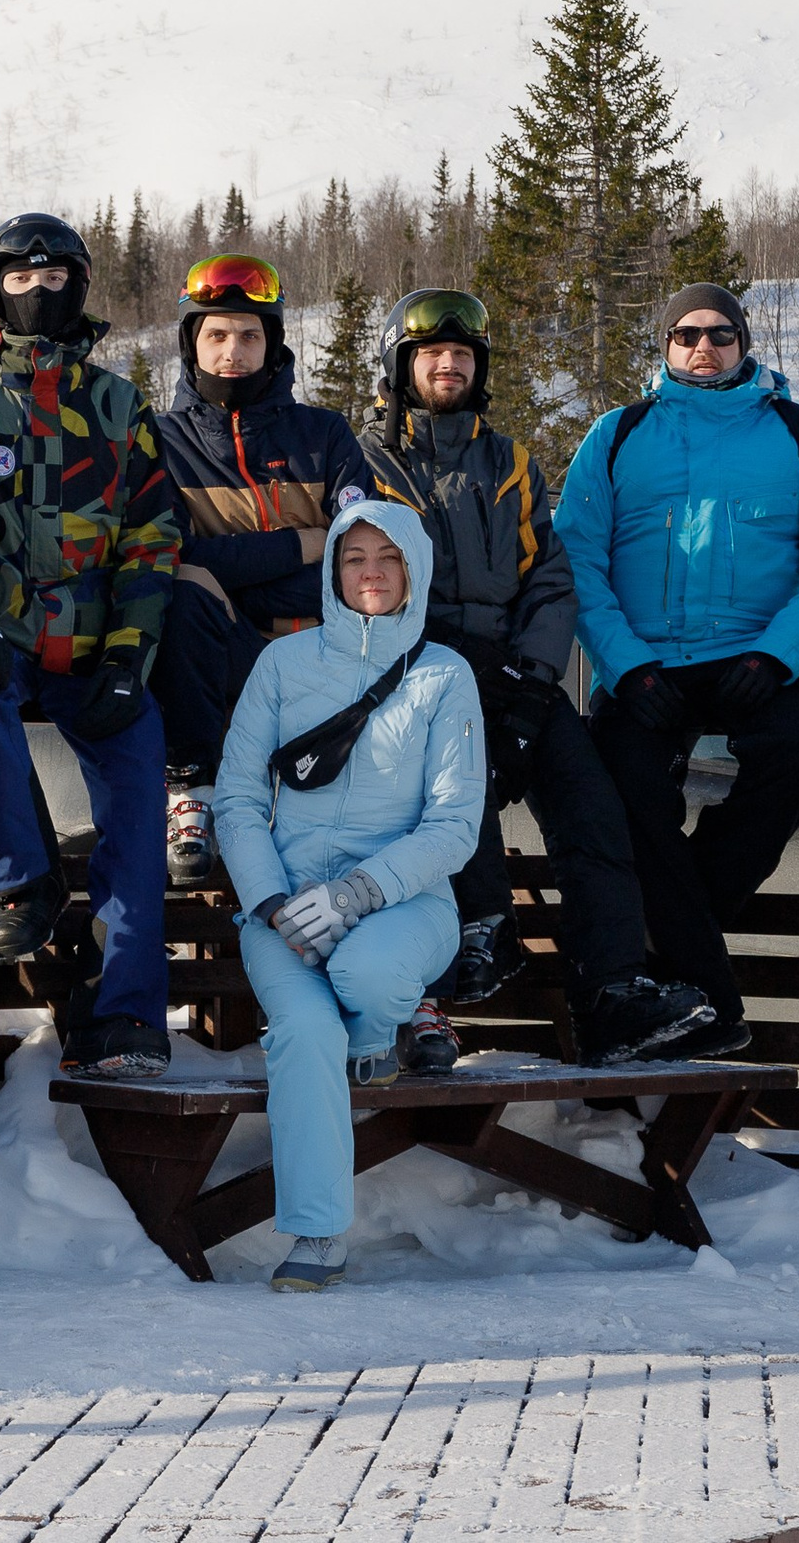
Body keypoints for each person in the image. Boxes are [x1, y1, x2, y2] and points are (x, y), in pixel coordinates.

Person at [359, 289, 712, 1068]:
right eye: (432, 354)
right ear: (399, 366)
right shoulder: (368, 466)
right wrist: (450, 664)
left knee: (592, 807)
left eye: (462, 355)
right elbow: (364, 584)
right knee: (456, 780)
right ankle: (479, 931)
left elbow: (551, 581)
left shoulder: (510, 463)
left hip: (516, 668)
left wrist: (530, 680)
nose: (449, 366)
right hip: (420, 671)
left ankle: (612, 992)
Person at [557, 282, 799, 1053]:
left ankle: (672, 955)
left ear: (744, 344)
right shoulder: (619, 434)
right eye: (687, 334)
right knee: (625, 790)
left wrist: (778, 653)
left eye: (721, 333)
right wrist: (624, 666)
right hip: (647, 661)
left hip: (756, 654)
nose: (704, 346)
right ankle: (712, 1002)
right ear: (665, 345)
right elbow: (576, 558)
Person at [0, 213, 180, 1077]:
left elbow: (152, 535)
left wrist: (129, 656)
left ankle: (126, 1013)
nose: (38, 293)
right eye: (20, 280)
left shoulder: (118, 404)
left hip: (94, 639)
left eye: (55, 279)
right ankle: (22, 878)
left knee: (136, 787)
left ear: (79, 286)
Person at [213, 499, 484, 1291]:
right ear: (333, 570)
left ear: (414, 569)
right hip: (287, 911)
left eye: (388, 557)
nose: (371, 572)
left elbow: (455, 824)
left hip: (406, 904)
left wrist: (358, 893)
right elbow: (237, 800)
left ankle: (373, 1039)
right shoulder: (281, 665)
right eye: (354, 557)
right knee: (302, 1031)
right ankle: (319, 1235)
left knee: (364, 973)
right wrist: (272, 903)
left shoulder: (444, 675)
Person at [147, 251, 375, 890]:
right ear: (191, 345)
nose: (233, 352)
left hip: (326, 660)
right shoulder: (161, 442)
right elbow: (175, 559)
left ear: (272, 344)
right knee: (181, 591)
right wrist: (304, 544)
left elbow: (359, 564)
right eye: (216, 335)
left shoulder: (325, 435)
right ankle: (192, 793)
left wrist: (238, 578)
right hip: (230, 656)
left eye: (250, 336)